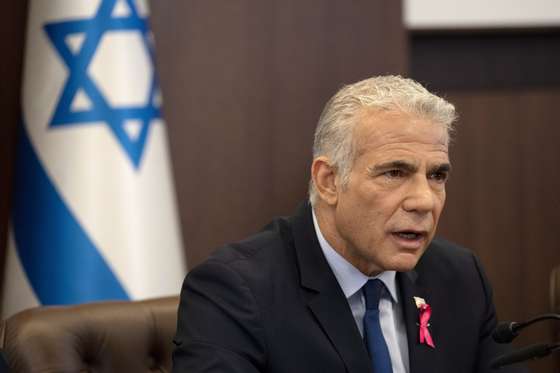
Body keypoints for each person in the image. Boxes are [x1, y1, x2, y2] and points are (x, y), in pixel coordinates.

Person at [172, 76, 525, 372]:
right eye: (394, 173)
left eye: (437, 175)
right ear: (328, 181)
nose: (424, 200)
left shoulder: (459, 278)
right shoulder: (234, 292)